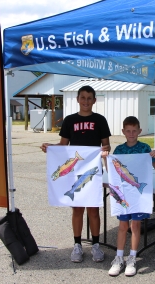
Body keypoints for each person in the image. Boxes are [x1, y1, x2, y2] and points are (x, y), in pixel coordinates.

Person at [40, 85, 111, 263]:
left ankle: (95, 245)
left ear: (94, 100)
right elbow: (63, 145)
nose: (86, 101)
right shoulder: (69, 120)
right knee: (77, 209)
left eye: (89, 98)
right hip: (75, 170)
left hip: (93, 171)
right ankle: (77, 245)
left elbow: (106, 146)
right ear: (77, 99)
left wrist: (105, 155)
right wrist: (51, 147)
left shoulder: (100, 120)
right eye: (83, 97)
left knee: (94, 210)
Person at [108, 116, 155, 277]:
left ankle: (132, 258)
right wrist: (105, 158)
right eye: (128, 131)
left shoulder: (145, 148)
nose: (131, 134)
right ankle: (118, 257)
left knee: (135, 226)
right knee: (123, 226)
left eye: (134, 131)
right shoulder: (118, 150)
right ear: (123, 132)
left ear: (139, 131)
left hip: (138, 196)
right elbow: (111, 171)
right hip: (123, 194)